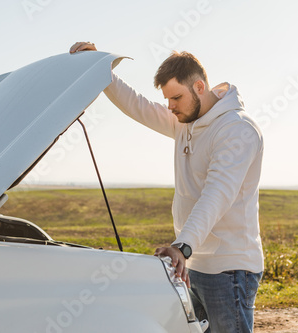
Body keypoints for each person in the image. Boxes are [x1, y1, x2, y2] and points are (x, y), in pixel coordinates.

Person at [70, 42, 264, 333]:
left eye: (176, 97)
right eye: (167, 99)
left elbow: (217, 194)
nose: (170, 106)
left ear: (199, 86)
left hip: (229, 269)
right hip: (195, 261)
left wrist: (181, 247)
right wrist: (101, 70)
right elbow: (138, 105)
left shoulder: (236, 129)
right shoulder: (185, 121)